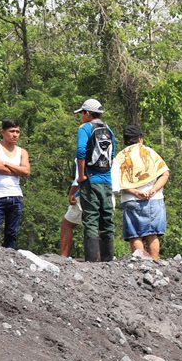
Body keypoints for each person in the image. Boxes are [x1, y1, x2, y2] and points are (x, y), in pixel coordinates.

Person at [115, 124, 170, 260]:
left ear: (125, 140)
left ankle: (140, 265)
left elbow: (116, 181)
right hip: (154, 199)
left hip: (131, 200)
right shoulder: (150, 152)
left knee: (135, 235)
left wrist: (134, 191)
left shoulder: (120, 157)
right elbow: (165, 173)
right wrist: (153, 189)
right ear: (140, 138)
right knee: (152, 234)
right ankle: (155, 263)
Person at [75, 98, 116, 262]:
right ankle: (108, 259)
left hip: (90, 179)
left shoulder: (85, 128)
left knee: (91, 218)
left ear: (87, 113)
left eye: (81, 114)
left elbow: (80, 151)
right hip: (106, 181)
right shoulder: (109, 129)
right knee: (107, 218)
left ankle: (92, 260)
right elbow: (112, 155)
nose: (81, 117)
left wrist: (81, 175)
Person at [0, 118, 30, 249]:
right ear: (2, 132)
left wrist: (8, 164)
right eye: (11, 131)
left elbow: (26, 171)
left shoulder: (22, 152)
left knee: (12, 234)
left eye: (17, 131)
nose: (15, 134)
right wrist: (17, 170)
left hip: (16, 196)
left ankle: (10, 263)